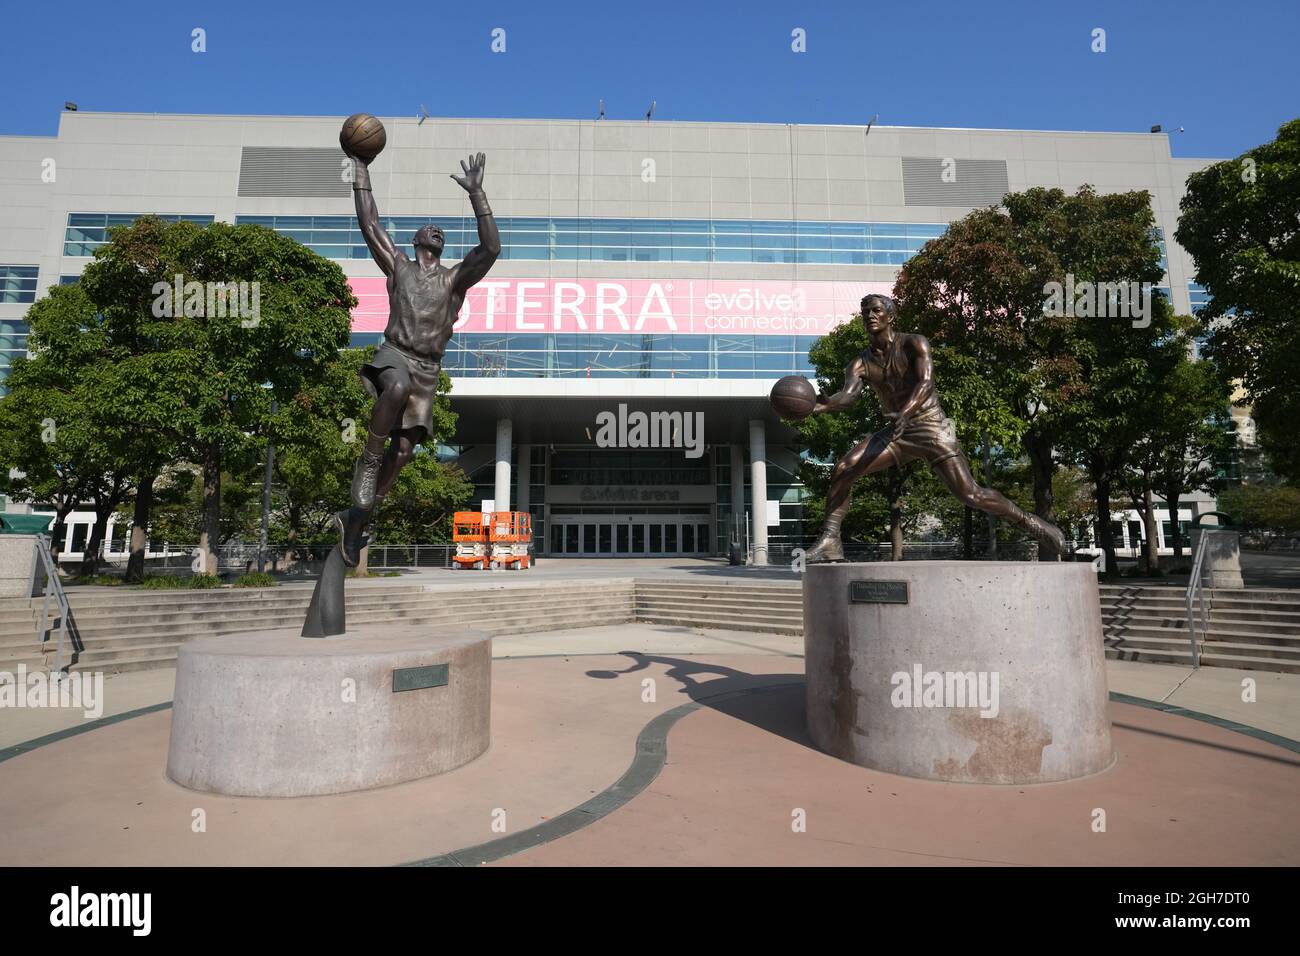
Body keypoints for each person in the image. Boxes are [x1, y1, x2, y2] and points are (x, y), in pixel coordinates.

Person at [803, 294, 1066, 563]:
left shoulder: (914, 343)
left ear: (890, 316)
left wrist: (906, 412)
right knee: (844, 469)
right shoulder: (860, 362)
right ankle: (830, 541)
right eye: (865, 312)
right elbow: (848, 395)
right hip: (897, 431)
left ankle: (1034, 524)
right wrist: (823, 405)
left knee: (970, 493)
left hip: (932, 426)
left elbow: (925, 383)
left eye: (875, 310)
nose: (869, 316)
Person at [335, 150, 500, 565]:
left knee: (406, 452)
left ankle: (358, 517)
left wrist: (477, 194)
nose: (436, 231)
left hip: (428, 369)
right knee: (395, 385)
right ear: (416, 240)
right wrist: (361, 170)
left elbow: (491, 248)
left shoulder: (454, 280)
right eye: (429, 228)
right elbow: (369, 222)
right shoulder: (399, 266)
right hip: (396, 355)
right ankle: (369, 461)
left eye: (441, 230)